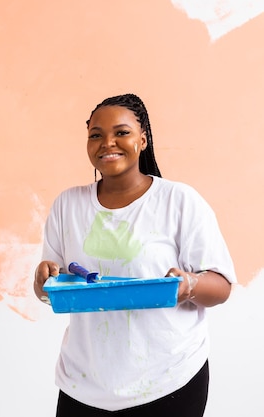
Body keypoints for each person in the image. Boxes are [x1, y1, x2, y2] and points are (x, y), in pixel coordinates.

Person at [33, 93, 236, 416]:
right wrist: (42, 281)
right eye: (96, 135)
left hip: (168, 381)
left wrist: (189, 285)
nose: (107, 142)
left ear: (143, 139)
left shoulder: (179, 200)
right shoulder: (67, 205)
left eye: (121, 132)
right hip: (84, 385)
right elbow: (51, 291)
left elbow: (222, 286)